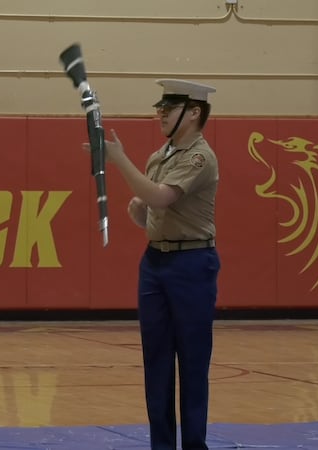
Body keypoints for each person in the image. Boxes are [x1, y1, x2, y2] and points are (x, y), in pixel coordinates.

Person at [86, 79, 220, 449]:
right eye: (160, 106)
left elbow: (160, 197)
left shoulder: (199, 157)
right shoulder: (159, 157)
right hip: (156, 262)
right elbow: (151, 212)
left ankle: (194, 445)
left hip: (192, 263)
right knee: (157, 363)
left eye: (169, 107)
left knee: (192, 364)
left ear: (194, 112)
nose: (160, 112)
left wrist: (118, 159)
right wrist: (138, 213)